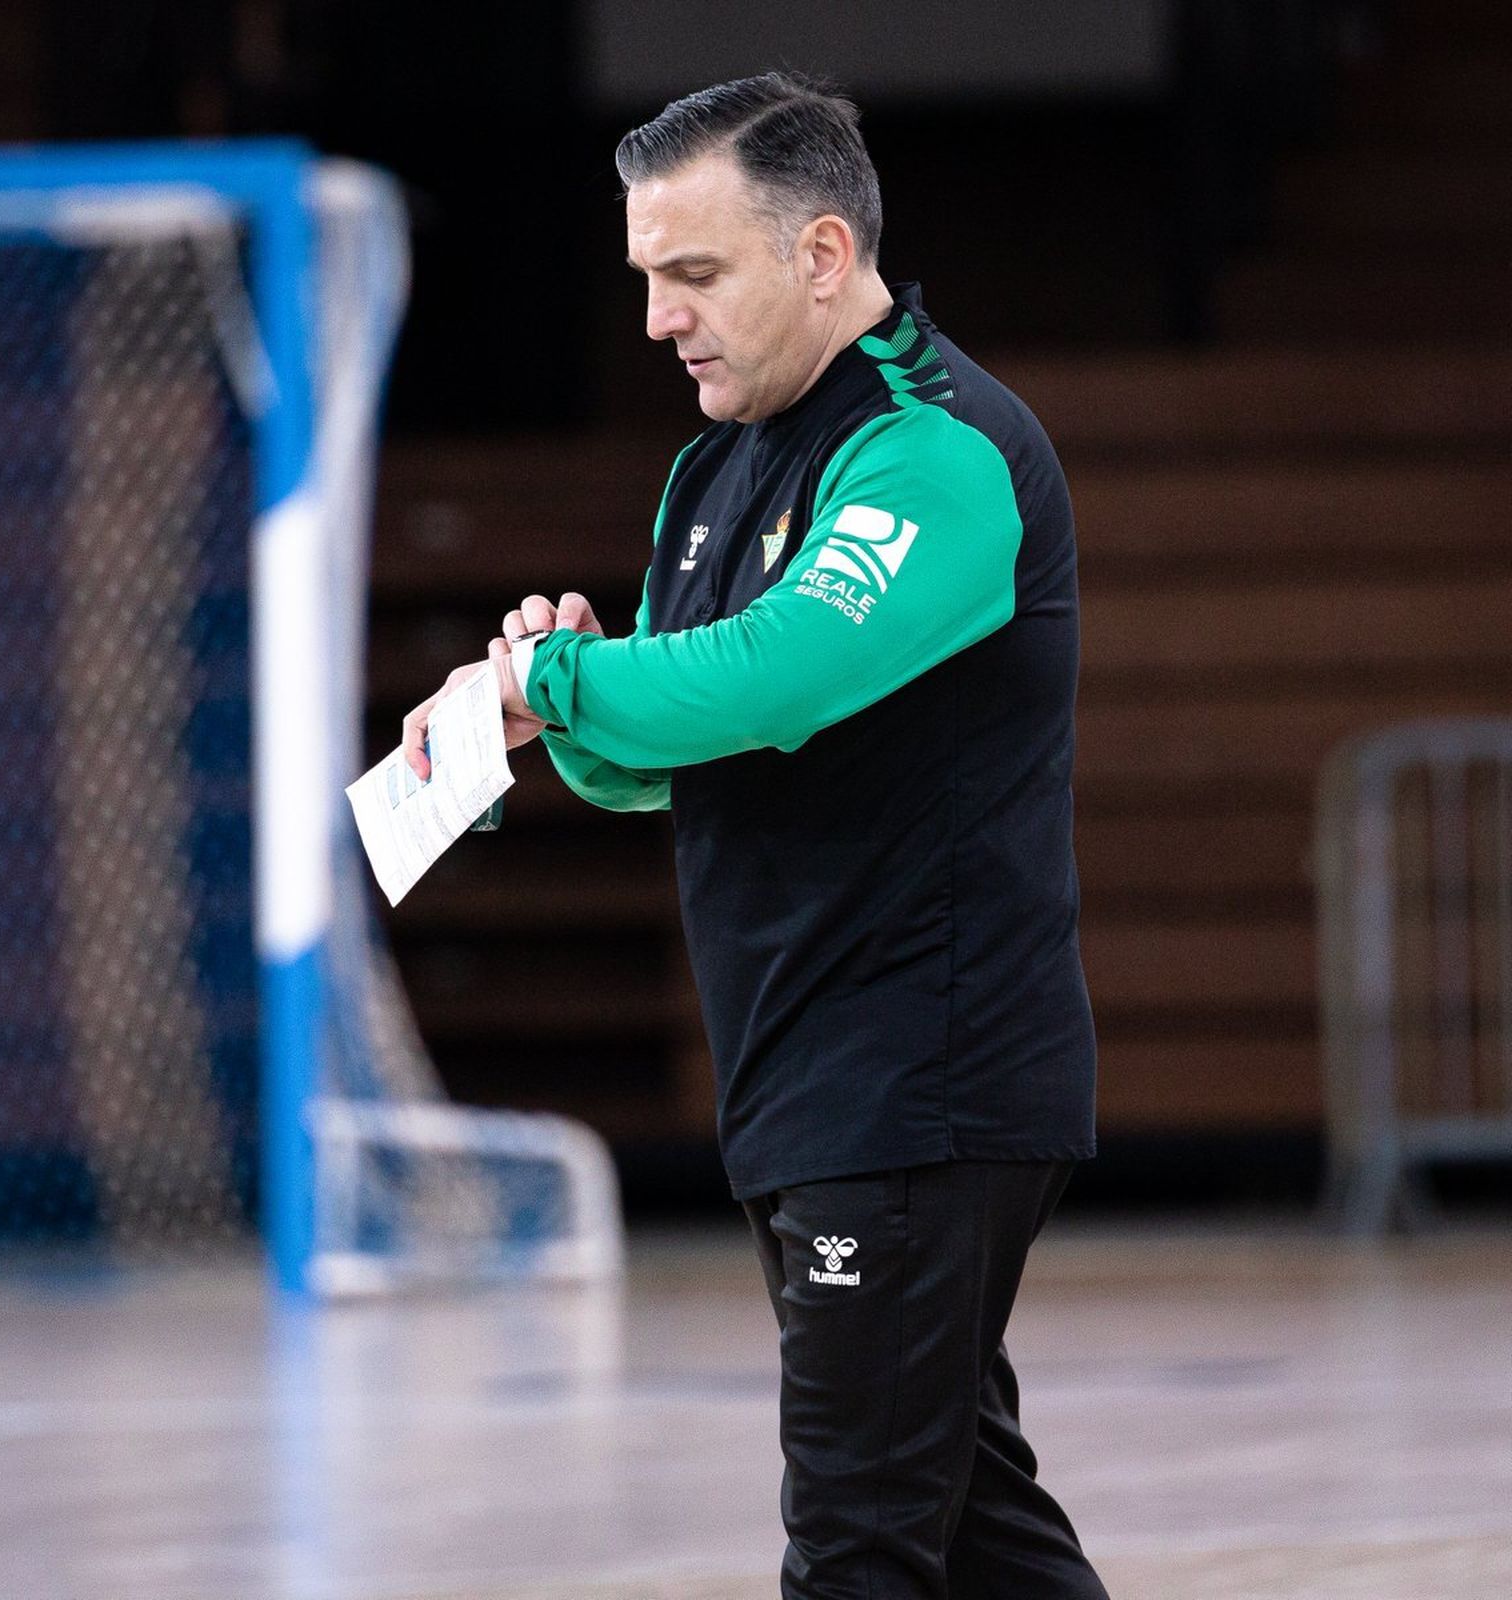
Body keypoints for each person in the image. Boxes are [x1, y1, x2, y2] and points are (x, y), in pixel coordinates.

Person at [404, 71, 1108, 1600]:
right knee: (974, 1529)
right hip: (819, 1085)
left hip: (919, 1079)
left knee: (854, 1544)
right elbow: (679, 757)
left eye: (695, 273)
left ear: (822, 253)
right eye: (647, 276)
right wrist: (561, 718)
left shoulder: (935, 452)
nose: (660, 318)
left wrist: (571, 678)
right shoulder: (717, 460)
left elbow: (779, 676)